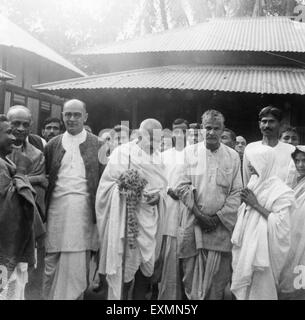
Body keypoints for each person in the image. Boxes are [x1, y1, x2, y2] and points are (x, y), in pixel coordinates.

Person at [174, 110, 242, 300]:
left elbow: (237, 192)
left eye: (216, 128)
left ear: (222, 130)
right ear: (202, 129)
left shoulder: (233, 156)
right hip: (193, 224)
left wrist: (218, 217)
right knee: (190, 280)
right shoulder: (189, 152)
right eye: (208, 128)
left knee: (217, 284)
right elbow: (182, 186)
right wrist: (200, 215)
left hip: (221, 229)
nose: (211, 132)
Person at [96, 119, 167, 300]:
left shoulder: (160, 158)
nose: (152, 143)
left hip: (151, 220)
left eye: (156, 139)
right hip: (125, 219)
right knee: (124, 271)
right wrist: (125, 189)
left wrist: (159, 196)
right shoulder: (123, 153)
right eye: (148, 138)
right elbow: (106, 186)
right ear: (139, 135)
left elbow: (164, 188)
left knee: (146, 272)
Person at [43, 99, 102, 300]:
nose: (72, 118)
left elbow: (104, 180)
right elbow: (46, 179)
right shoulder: (52, 144)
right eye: (68, 114)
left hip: (84, 211)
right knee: (52, 259)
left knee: (79, 259)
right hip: (56, 210)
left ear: (85, 117)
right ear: (62, 116)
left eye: (77, 114)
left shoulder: (99, 144)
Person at [231, 144, 295, 300]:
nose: (249, 165)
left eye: (253, 161)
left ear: (264, 163)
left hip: (263, 250)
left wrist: (255, 205)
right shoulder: (254, 181)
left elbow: (282, 226)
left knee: (261, 291)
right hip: (247, 244)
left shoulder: (280, 190)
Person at [7, 105, 47, 300]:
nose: (21, 129)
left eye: (25, 124)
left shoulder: (37, 154)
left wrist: (26, 181)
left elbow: (31, 194)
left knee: (18, 280)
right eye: (15, 123)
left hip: (25, 219)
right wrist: (36, 178)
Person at [0, 115, 37, 300]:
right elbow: (12, 205)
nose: (14, 137)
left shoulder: (6, 161)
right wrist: (21, 171)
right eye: (8, 132)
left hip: (11, 243)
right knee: (7, 292)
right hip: (4, 247)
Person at [159, 119, 189, 300]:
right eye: (176, 131)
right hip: (167, 206)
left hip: (186, 208)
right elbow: (156, 179)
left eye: (183, 131)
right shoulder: (164, 155)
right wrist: (169, 190)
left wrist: (184, 192)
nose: (179, 135)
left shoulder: (194, 154)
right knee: (166, 253)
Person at [243, 106, 295, 186]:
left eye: (271, 121)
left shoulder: (291, 150)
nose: (267, 125)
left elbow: (292, 180)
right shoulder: (250, 148)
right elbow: (246, 179)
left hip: (282, 196)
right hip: (254, 196)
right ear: (259, 124)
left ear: (280, 124)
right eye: (264, 121)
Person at [279, 146, 305, 300]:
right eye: (298, 161)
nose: (301, 165)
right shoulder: (295, 183)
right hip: (293, 236)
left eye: (304, 161)